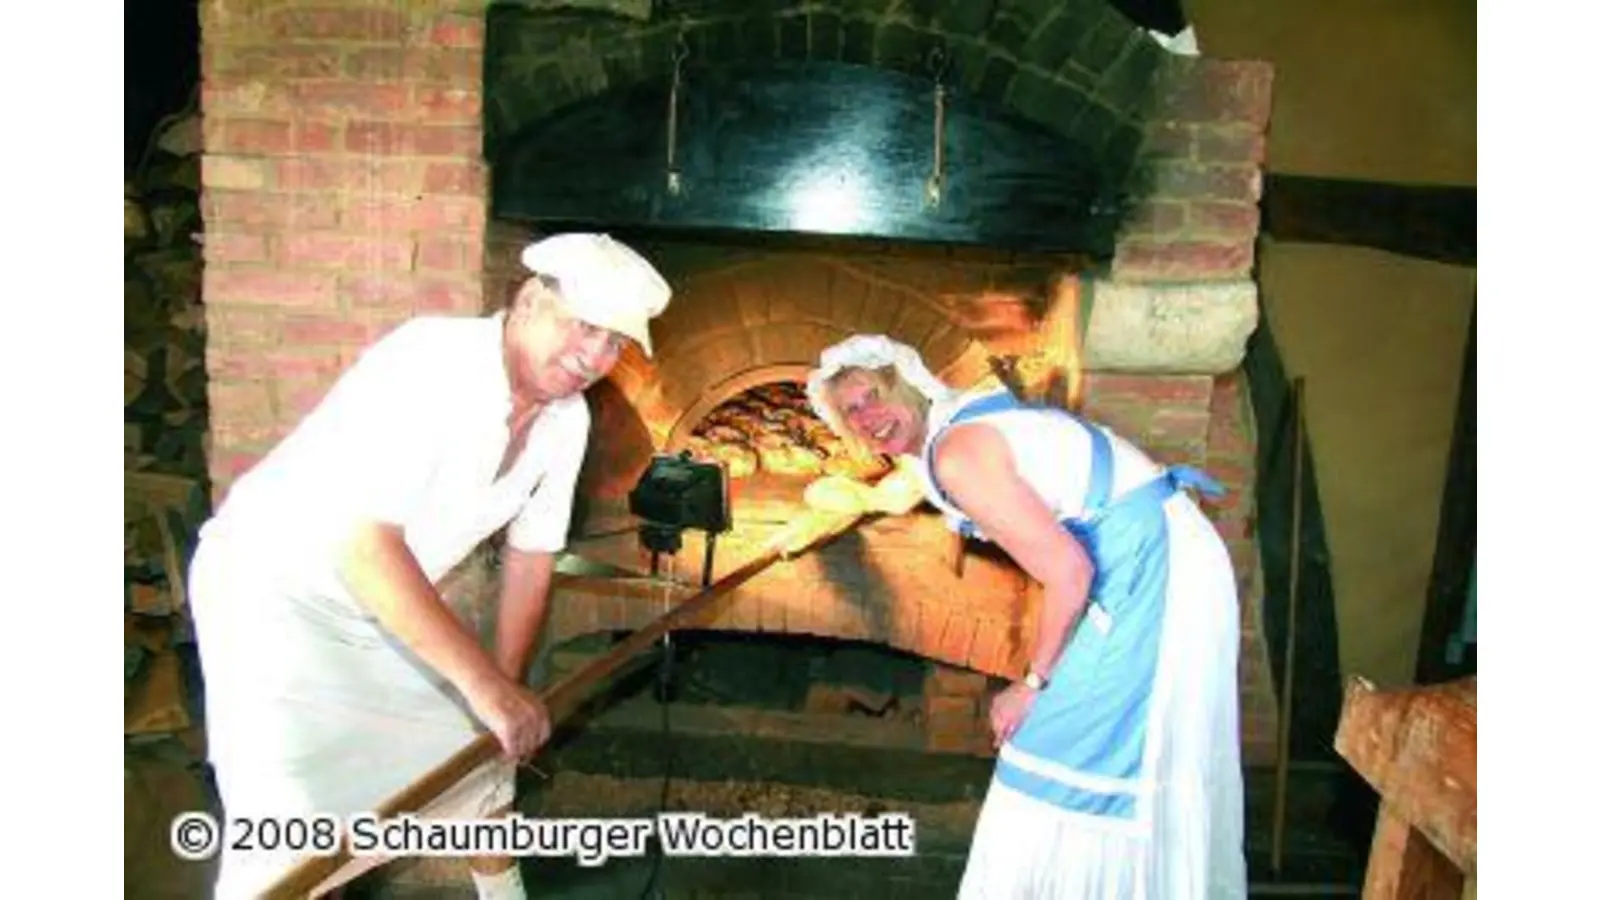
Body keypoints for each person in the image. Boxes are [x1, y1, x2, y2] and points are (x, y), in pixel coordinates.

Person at [186, 233, 672, 899]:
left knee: (474, 769)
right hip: (270, 596)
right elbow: (363, 545)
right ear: (530, 301)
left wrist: (505, 684)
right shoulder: (428, 364)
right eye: (584, 326)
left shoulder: (568, 419)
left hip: (373, 610)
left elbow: (533, 557)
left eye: (614, 342)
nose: (594, 355)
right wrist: (488, 691)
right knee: (290, 834)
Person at [803, 334, 1248, 899]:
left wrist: (1033, 682)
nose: (868, 417)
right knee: (1095, 751)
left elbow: (1068, 571)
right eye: (851, 412)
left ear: (909, 387)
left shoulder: (958, 453)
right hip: (1149, 556)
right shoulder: (951, 430)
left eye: (873, 396)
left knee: (1067, 747)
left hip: (1156, 571)